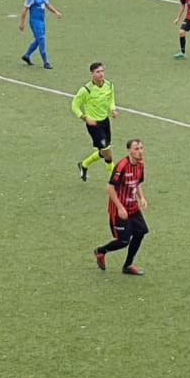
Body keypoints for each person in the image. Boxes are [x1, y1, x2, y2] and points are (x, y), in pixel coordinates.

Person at [93, 138, 148, 275]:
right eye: (136, 149)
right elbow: (110, 187)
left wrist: (142, 198)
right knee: (123, 241)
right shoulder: (122, 166)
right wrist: (120, 207)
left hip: (133, 207)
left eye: (141, 148)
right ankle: (100, 251)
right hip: (119, 210)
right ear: (129, 151)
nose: (140, 152)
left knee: (141, 231)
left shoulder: (141, 165)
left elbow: (137, 183)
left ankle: (128, 265)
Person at [73, 62, 119, 182]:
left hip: (105, 122)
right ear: (92, 74)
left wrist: (113, 109)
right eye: (98, 72)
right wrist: (84, 117)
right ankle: (115, 180)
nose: (101, 74)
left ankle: (83, 164)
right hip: (94, 125)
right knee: (108, 153)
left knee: (103, 151)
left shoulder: (109, 85)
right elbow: (74, 105)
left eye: (102, 71)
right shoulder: (86, 90)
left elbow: (111, 100)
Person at [18, 0, 63, 68]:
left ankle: (27, 56)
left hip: (42, 21)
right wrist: (22, 23)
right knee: (42, 39)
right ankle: (46, 62)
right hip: (35, 21)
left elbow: (47, 4)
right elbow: (25, 9)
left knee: (38, 40)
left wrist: (56, 12)